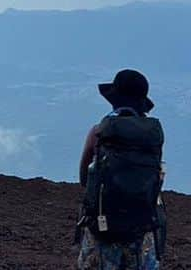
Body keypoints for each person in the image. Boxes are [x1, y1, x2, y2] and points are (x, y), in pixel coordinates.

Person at [77, 69, 165, 270]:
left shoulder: (99, 132)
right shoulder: (152, 135)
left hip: (103, 225)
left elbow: (84, 177)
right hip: (141, 225)